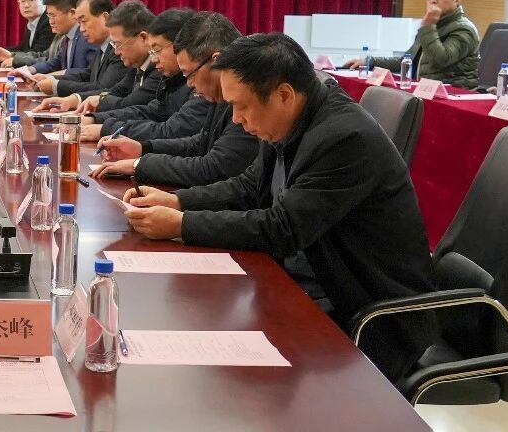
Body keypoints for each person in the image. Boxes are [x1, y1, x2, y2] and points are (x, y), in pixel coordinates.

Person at [125, 33, 437, 381]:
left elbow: (282, 228)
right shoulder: (291, 118)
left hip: (365, 311)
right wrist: (178, 200)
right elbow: (249, 186)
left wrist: (180, 224)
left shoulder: (344, 138)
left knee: (231, 372)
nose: (236, 119)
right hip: (310, 282)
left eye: (242, 106)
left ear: (284, 95)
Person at [92, 12, 257, 187]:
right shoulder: (219, 94)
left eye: (189, 74)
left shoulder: (247, 95)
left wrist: (139, 165)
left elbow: (214, 169)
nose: (190, 84)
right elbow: (200, 143)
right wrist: (143, 148)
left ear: (217, 61)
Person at [80, 8, 210, 143]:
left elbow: (172, 130)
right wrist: (96, 119)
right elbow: (149, 112)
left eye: (157, 50)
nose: (153, 59)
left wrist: (108, 129)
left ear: (182, 46)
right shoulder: (173, 78)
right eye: (152, 52)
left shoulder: (202, 83)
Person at [352, 0, 480, 88]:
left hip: (454, 94)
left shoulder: (464, 29)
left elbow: (441, 60)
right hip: (425, 90)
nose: (433, 0)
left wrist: (428, 26)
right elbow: (407, 61)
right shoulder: (432, 26)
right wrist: (369, 62)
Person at [35, 0, 161, 115]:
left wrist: (95, 118)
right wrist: (74, 99)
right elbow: (117, 91)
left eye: (118, 44)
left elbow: (131, 103)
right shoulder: (136, 64)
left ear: (143, 38)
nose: (116, 52)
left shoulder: (159, 68)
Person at [40, 0, 129, 96]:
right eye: (79, 23)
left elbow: (103, 89)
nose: (81, 29)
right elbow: (87, 75)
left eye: (84, 21)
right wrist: (50, 78)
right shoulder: (102, 46)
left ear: (105, 17)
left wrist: (56, 85)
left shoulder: (120, 49)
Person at [7, 0, 90, 74]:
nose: (51, 22)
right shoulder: (66, 36)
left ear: (72, 13)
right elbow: (55, 63)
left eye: (53, 15)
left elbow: (88, 73)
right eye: (49, 16)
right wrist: (28, 70)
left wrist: (53, 79)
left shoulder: (87, 36)